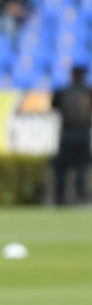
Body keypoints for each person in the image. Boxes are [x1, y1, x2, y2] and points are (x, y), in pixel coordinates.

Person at [50, 64, 92, 205]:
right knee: (81, 168)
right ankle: (80, 198)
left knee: (62, 168)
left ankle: (60, 199)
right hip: (82, 135)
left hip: (67, 135)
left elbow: (54, 107)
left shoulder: (62, 92)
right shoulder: (88, 92)